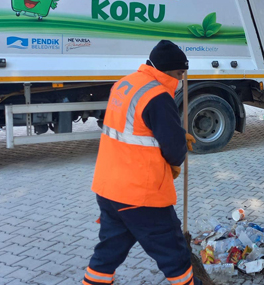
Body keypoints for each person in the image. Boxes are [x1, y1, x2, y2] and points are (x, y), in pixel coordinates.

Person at [83, 40, 200, 285]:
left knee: (109, 251)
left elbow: (137, 130)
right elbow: (173, 148)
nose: (180, 80)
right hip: (141, 194)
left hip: (109, 189)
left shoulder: (125, 84)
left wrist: (175, 135)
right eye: (179, 74)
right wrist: (177, 154)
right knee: (173, 252)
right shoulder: (157, 95)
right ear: (166, 70)